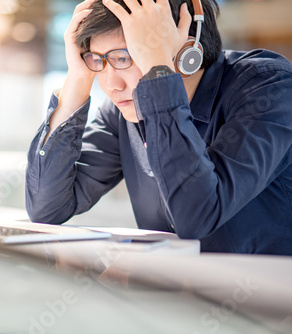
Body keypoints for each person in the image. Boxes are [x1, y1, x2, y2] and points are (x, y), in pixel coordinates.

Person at [25, 0, 292, 255]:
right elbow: (46, 208)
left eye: (124, 57)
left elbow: (196, 217)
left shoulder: (268, 87)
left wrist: (159, 69)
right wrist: (77, 81)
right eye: (97, 60)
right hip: (176, 298)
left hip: (266, 298)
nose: (111, 85)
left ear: (187, 47)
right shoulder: (124, 111)